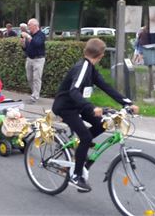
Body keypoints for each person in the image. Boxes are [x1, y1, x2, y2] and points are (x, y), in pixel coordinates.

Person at [52, 38, 139, 192]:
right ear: (101, 55)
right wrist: (90, 106)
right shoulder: (83, 67)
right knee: (86, 137)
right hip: (66, 107)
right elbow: (73, 91)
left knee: (102, 124)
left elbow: (106, 87)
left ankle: (80, 147)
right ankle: (76, 176)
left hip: (78, 105)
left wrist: (127, 103)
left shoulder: (91, 69)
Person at [21, 18, 45, 103]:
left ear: (35, 25)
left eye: (29, 25)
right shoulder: (29, 35)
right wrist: (23, 43)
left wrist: (28, 37)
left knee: (36, 78)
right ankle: (33, 93)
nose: (28, 27)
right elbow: (25, 48)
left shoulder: (41, 35)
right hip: (29, 59)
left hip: (38, 59)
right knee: (29, 78)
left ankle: (35, 96)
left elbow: (37, 44)